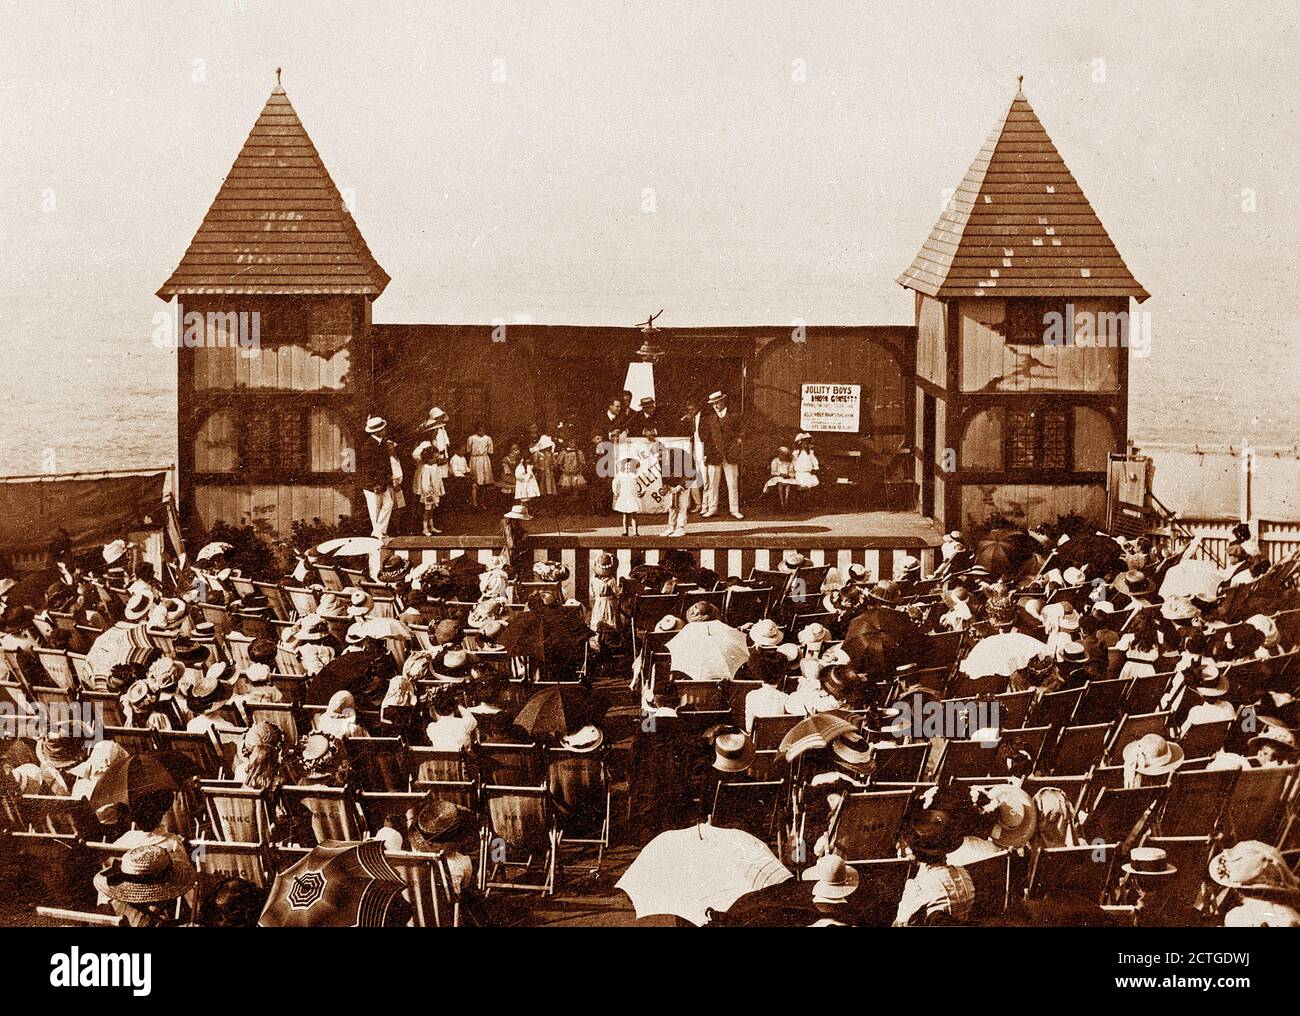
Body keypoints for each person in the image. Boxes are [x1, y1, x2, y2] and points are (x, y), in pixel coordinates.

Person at [699, 390, 743, 519]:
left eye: (717, 403)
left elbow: (741, 432)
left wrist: (737, 442)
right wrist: (707, 453)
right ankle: (712, 509)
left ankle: (734, 509)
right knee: (712, 483)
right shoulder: (709, 418)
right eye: (713, 404)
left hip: (730, 455)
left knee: (732, 483)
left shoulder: (734, 416)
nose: (715, 406)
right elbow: (704, 437)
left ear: (723, 401)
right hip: (714, 455)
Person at [359, 416, 400, 542]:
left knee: (389, 504)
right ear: (376, 432)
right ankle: (379, 534)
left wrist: (390, 478)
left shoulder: (383, 443)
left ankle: (378, 532)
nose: (385, 430)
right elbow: (368, 467)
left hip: (383, 481)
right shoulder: (368, 446)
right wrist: (374, 484)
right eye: (383, 429)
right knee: (375, 510)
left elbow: (386, 464)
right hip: (372, 484)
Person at [412, 407, 450, 535]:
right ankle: (425, 528)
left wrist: (438, 460)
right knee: (427, 506)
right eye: (434, 431)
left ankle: (431, 525)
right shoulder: (425, 444)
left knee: (433, 505)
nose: (436, 433)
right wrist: (424, 461)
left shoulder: (433, 443)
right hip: (427, 474)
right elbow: (415, 454)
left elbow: (438, 457)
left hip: (434, 474)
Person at [465, 421, 495, 508]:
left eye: (483, 429)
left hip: (484, 460)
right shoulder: (471, 438)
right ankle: (474, 502)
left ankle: (482, 502)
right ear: (476, 430)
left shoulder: (488, 439)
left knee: (484, 483)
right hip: (475, 459)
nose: (481, 431)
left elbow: (490, 451)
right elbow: (468, 450)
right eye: (479, 430)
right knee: (475, 481)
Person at [613, 456, 642, 536]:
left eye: (630, 465)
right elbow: (615, 482)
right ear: (624, 466)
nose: (628, 467)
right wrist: (615, 492)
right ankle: (625, 531)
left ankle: (635, 532)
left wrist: (643, 491)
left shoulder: (635, 475)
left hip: (632, 496)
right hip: (624, 496)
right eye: (627, 465)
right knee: (625, 514)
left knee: (634, 514)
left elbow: (642, 483)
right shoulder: (620, 474)